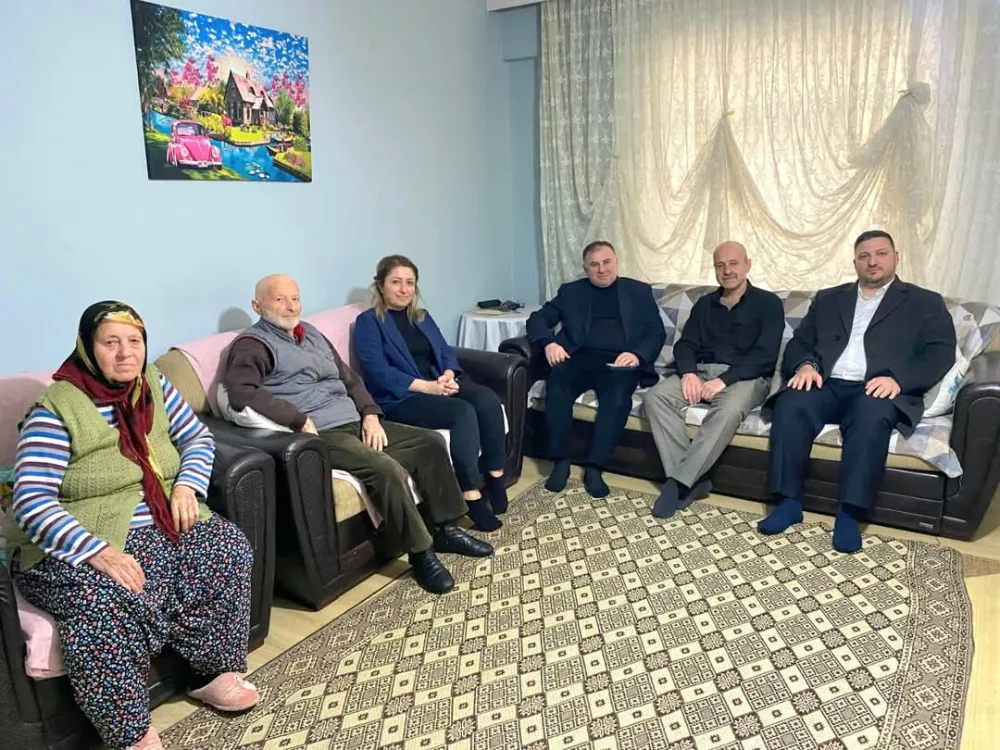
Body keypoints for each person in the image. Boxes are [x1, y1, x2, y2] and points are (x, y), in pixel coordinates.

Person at [7, 302, 258, 750]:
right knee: (102, 599)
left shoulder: (153, 385)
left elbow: (197, 438)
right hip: (78, 538)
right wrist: (98, 552)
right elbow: (31, 501)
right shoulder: (57, 409)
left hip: (157, 517)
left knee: (227, 545)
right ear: (88, 348)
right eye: (111, 342)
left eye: (134, 341)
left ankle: (211, 671)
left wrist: (187, 486)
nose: (125, 353)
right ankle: (129, 730)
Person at [222, 274, 493, 596]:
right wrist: (296, 419)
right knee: (384, 467)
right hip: (322, 432)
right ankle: (421, 553)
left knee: (429, 443)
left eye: (295, 298)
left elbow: (350, 379)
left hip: (354, 419)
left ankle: (446, 529)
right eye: (279, 299)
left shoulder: (311, 333)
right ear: (257, 306)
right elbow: (242, 392)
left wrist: (370, 414)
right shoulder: (253, 345)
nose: (291, 306)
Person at [758, 230, 956, 552]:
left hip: (877, 387)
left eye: (880, 254)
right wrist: (805, 366)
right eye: (864, 256)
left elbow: (940, 352)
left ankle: (850, 514)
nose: (872, 261)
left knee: (870, 417)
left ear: (896, 258)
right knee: (791, 404)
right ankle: (788, 502)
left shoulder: (925, 302)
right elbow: (800, 342)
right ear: (855, 262)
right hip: (826, 383)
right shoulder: (828, 298)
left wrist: (899, 380)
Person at [353, 255, 509, 532]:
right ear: (380, 285)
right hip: (401, 397)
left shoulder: (421, 317)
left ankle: (496, 476)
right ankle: (470, 494)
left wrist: (448, 375)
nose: (404, 289)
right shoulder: (368, 322)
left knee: (487, 400)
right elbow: (378, 372)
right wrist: (427, 387)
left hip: (438, 383)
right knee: (462, 413)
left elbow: (445, 352)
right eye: (396, 282)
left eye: (410, 283)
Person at [643, 241, 784, 517]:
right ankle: (692, 481)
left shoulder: (768, 304)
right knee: (655, 397)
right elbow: (685, 345)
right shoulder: (705, 304)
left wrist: (724, 380)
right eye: (720, 265)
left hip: (746, 377)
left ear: (747, 265)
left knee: (729, 409)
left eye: (733, 264)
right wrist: (689, 373)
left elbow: (765, 356)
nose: (727, 271)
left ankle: (676, 484)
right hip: (701, 371)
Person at [526, 241, 666, 498]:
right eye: (594, 265)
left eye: (606, 262)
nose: (602, 269)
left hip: (619, 362)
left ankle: (595, 466)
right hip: (578, 357)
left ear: (616, 262)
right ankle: (561, 461)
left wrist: (637, 355)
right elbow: (538, 319)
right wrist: (548, 343)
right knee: (557, 382)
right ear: (585, 268)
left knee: (617, 397)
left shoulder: (638, 291)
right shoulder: (571, 292)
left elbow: (656, 332)